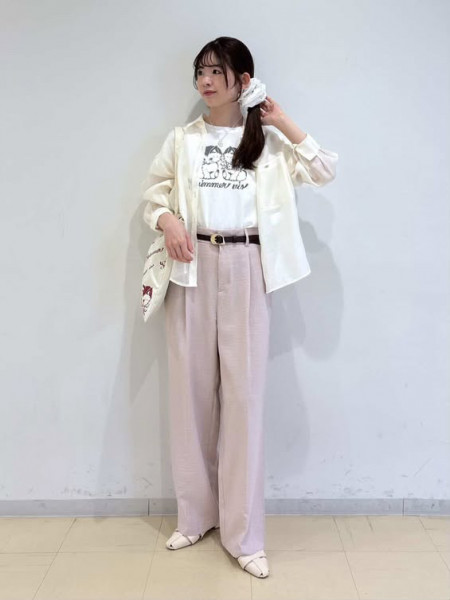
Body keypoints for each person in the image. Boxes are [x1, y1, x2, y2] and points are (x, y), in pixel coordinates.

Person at [142, 36, 338, 579]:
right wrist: (168, 219)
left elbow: (324, 169)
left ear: (243, 80)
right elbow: (153, 195)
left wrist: (281, 120)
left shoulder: (268, 142)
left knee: (245, 402)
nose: (205, 81)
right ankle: (195, 516)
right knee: (190, 399)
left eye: (217, 71)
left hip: (248, 267)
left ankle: (245, 535)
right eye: (200, 72)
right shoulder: (183, 140)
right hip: (192, 267)